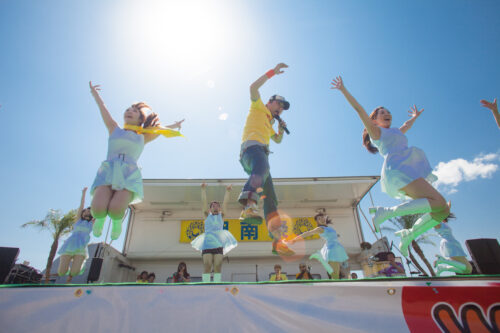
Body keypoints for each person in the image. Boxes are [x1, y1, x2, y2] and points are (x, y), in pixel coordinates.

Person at [330, 76, 450, 257]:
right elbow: (359, 110)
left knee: (442, 211)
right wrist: (344, 90)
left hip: (407, 167)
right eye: (382, 112)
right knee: (439, 203)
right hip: (398, 169)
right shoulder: (376, 132)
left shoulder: (395, 131)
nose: (387, 113)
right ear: (374, 120)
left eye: (388, 111)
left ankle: (409, 234)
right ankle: (385, 213)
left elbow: (405, 126)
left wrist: (414, 118)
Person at [89, 81, 184, 240]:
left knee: (115, 210)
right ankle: (99, 220)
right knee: (98, 209)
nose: (129, 111)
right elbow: (103, 109)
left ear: (140, 118)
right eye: (127, 109)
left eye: (133, 111)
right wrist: (95, 94)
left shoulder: (143, 137)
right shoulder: (114, 128)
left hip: (128, 173)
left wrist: (175, 125)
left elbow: (161, 130)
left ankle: (117, 223)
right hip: (109, 170)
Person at [237, 63, 294, 256]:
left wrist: (279, 130)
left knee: (271, 198)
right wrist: (272, 73)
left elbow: (277, 140)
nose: (280, 109)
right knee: (262, 165)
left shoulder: (270, 125)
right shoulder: (258, 106)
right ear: (270, 102)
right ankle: (248, 205)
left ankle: (277, 240)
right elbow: (252, 88)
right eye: (279, 104)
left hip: (260, 160)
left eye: (283, 108)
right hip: (250, 151)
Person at [191, 183, 237, 283]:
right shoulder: (206, 216)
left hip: (218, 244)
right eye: (213, 206)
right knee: (207, 265)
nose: (215, 207)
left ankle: (217, 284)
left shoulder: (222, 216)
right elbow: (204, 203)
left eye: (217, 206)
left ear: (219, 208)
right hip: (207, 244)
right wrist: (203, 190)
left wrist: (228, 191)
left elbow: (225, 203)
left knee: (218, 266)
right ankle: (206, 284)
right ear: (210, 209)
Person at [288, 212, 348, 279]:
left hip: (336, 248)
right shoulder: (320, 229)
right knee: (335, 275)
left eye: (322, 217)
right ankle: (320, 259)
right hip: (332, 250)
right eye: (319, 218)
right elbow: (308, 233)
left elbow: (332, 236)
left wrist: (336, 236)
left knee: (337, 273)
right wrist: (295, 239)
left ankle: (320, 258)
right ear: (317, 221)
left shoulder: (329, 228)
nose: (322, 219)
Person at [57, 187, 94, 283]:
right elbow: (81, 206)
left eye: (88, 211)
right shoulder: (78, 220)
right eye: (85, 211)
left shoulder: (91, 223)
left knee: (75, 272)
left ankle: (75, 271)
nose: (86, 211)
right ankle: (66, 271)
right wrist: (84, 193)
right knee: (61, 272)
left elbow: (99, 212)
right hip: (69, 245)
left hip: (81, 247)